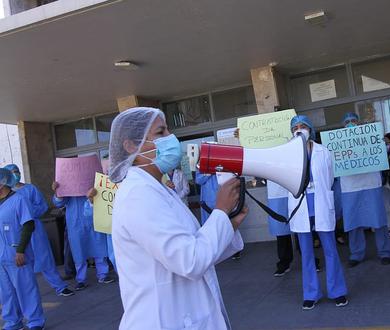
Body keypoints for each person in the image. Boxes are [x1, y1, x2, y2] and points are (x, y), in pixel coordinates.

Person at [108, 107, 246, 329]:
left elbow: (193, 247)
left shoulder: (158, 189)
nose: (171, 138)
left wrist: (230, 224)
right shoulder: (139, 195)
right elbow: (190, 260)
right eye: (161, 133)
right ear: (131, 146)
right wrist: (220, 212)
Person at [288, 115, 348, 310]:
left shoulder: (323, 151)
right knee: (306, 253)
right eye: (295, 127)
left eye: (303, 126)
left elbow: (330, 179)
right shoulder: (286, 153)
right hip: (300, 207)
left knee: (330, 249)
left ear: (310, 129)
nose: (299, 129)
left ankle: (337, 291)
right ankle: (311, 294)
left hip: (321, 204)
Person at [4, 164, 75, 297]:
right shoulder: (6, 195)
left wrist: (28, 213)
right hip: (16, 232)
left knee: (45, 258)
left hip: (35, 229)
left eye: (16, 171)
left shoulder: (30, 189)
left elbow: (42, 206)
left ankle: (59, 287)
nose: (15, 174)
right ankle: (24, 295)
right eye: (12, 172)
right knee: (21, 264)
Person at [339, 113, 390, 267]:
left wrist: (381, 143)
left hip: (370, 183)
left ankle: (385, 252)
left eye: (354, 121)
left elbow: (384, 153)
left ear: (359, 123)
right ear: (343, 126)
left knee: (378, 220)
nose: (350, 123)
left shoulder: (371, 138)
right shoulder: (337, 143)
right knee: (353, 222)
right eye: (347, 122)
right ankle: (356, 254)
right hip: (349, 187)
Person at [0, 168, 46, 330]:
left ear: (2, 183)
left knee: (26, 288)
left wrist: (20, 250)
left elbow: (28, 225)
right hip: (1, 257)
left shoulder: (19, 200)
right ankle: (13, 321)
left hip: (16, 253)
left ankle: (35, 321)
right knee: (6, 292)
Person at [52, 181, 114, 290]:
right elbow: (58, 203)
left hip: (94, 218)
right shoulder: (67, 182)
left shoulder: (92, 178)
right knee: (78, 251)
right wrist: (58, 192)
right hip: (75, 222)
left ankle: (103, 274)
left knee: (99, 246)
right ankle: (81, 279)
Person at [266, 181, 295, 276]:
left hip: (294, 186)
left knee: (302, 226)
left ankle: (310, 259)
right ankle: (284, 262)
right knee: (281, 229)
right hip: (276, 191)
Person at [85, 188, 116, 270]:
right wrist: (91, 201)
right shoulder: (98, 188)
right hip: (110, 229)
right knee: (115, 258)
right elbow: (88, 215)